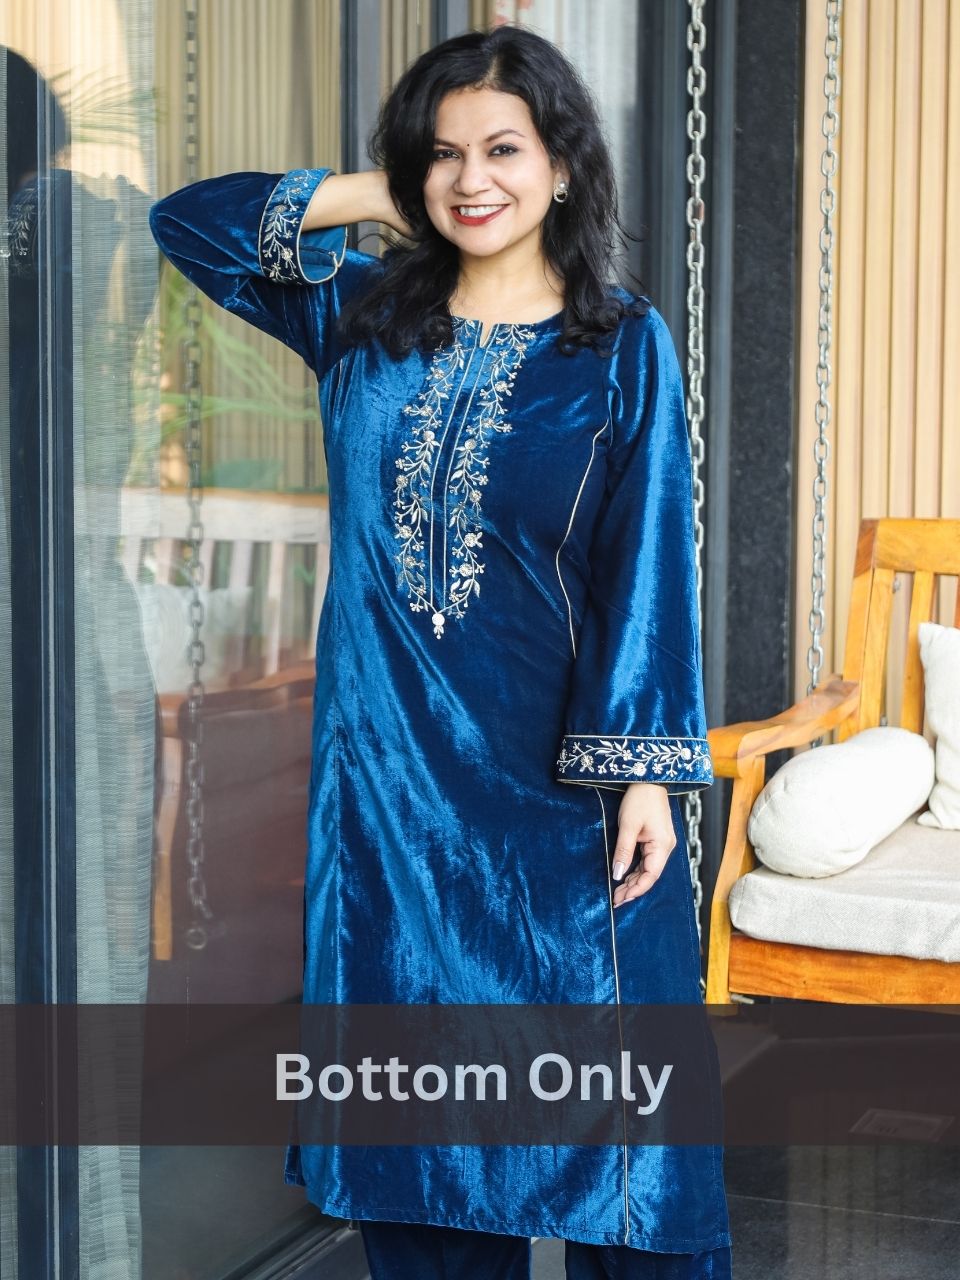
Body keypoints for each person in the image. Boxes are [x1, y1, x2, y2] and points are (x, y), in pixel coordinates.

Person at [148, 23, 732, 1280]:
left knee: (627, 1148)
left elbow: (647, 560)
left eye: (504, 149)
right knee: (416, 1141)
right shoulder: (361, 314)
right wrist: (382, 189)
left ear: (563, 165)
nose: (474, 179)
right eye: (444, 152)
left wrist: (645, 771)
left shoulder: (618, 344)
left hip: (559, 797)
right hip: (392, 805)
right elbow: (189, 223)